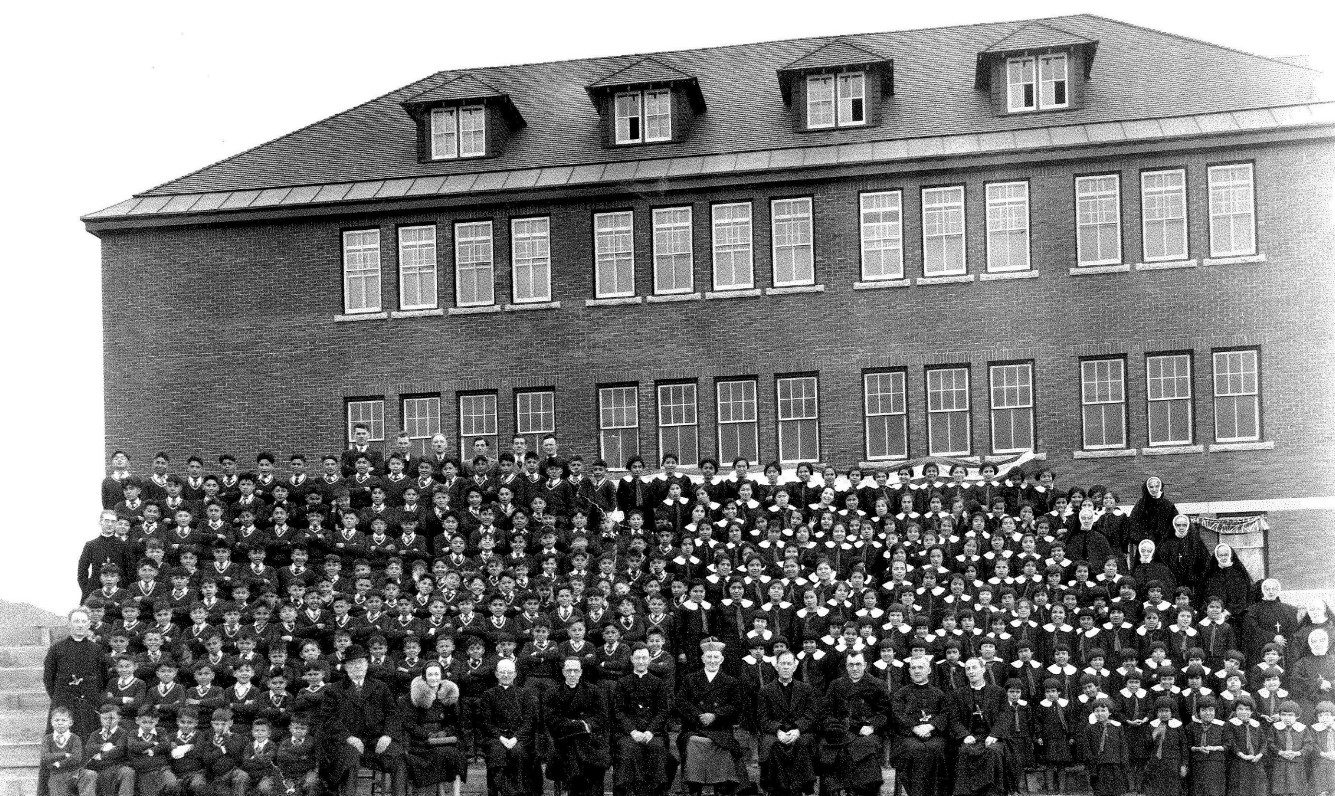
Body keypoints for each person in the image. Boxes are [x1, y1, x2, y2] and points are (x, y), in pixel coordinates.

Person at [319, 644, 407, 796]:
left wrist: (387, 735)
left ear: (367, 664)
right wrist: (349, 738)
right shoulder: (333, 690)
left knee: (398, 756)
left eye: (360, 662)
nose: (357, 666)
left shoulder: (381, 687)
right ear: (346, 667)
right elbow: (328, 719)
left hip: (376, 741)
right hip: (347, 742)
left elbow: (393, 714)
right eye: (352, 664)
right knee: (350, 759)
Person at [677, 638, 744, 796]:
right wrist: (699, 716)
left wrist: (715, 715)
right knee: (692, 741)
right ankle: (694, 787)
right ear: (702, 659)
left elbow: (735, 706)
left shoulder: (731, 682)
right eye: (709, 657)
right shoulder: (690, 679)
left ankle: (720, 786)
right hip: (694, 727)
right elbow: (681, 702)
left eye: (716, 657)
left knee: (723, 743)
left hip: (720, 727)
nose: (712, 661)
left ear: (721, 659)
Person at [819, 651, 886, 796]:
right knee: (833, 750)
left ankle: (861, 791)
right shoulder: (836, 685)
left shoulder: (877, 684)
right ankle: (838, 790)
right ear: (846, 666)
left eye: (858, 664)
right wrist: (834, 726)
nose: (855, 668)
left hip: (866, 731)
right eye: (851, 665)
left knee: (864, 748)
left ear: (865, 665)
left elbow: (884, 712)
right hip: (840, 730)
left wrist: (872, 726)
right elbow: (826, 711)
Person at [544, 657, 610, 796]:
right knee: (574, 750)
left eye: (575, 670)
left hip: (590, 738)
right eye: (569, 670)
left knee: (590, 758)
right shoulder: (552, 692)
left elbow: (601, 716)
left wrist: (585, 725)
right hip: (563, 741)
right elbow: (551, 719)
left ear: (581, 672)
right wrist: (575, 726)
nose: (572, 674)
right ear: (563, 672)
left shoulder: (594, 691)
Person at [756, 650, 818, 796]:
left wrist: (797, 730)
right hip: (775, 733)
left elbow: (811, 715)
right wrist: (778, 731)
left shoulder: (806, 689)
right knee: (773, 745)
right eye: (782, 663)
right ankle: (778, 789)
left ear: (795, 667)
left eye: (789, 663)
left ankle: (798, 788)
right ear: (776, 667)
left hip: (799, 732)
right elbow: (763, 719)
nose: (785, 667)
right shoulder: (765, 691)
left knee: (802, 744)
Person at [401, 660, 467, 796]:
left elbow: (455, 722)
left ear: (442, 675)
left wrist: (446, 732)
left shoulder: (448, 695)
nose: (434, 678)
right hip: (421, 741)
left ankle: (456, 793)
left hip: (444, 738)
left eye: (436, 674)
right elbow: (409, 724)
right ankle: (441, 793)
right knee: (441, 753)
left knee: (456, 752)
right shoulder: (414, 696)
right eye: (430, 675)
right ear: (424, 677)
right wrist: (428, 734)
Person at [612, 645, 671, 796]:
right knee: (628, 749)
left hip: (653, 732)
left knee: (657, 748)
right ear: (631, 659)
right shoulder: (622, 683)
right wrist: (632, 731)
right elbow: (618, 711)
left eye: (644, 658)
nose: (641, 661)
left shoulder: (658, 683)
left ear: (650, 660)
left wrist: (650, 731)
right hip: (628, 733)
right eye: (637, 658)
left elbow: (662, 711)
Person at [475, 658, 539, 796]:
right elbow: (486, 722)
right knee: (497, 754)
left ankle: (519, 792)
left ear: (515, 674)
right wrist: (501, 737)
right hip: (496, 737)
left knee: (518, 752)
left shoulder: (524, 694)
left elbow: (528, 722)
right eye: (502, 672)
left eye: (509, 672)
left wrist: (516, 738)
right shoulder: (488, 695)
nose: (506, 675)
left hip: (519, 737)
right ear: (496, 674)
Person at [949, 658, 1010, 796]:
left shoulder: (998, 692)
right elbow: (954, 719)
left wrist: (994, 735)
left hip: (992, 736)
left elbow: (1005, 716)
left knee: (993, 752)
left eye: (974, 668)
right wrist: (964, 735)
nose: (971, 671)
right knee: (964, 751)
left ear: (983, 670)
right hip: (970, 736)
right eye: (968, 669)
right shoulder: (958, 694)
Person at [890, 657, 950, 796]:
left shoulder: (939, 694)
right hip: (908, 735)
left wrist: (931, 726)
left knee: (938, 749)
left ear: (928, 670)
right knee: (914, 750)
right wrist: (914, 727)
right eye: (914, 668)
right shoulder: (901, 693)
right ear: (909, 671)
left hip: (934, 735)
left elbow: (945, 713)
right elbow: (897, 714)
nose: (917, 671)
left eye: (921, 667)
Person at [44, 608, 107, 738]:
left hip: (89, 700)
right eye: (76, 621)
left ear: (89, 624)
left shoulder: (96, 649)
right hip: (63, 698)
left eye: (83, 621)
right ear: (69, 624)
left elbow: (102, 677)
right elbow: (48, 677)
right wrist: (58, 696)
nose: (80, 625)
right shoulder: (57, 648)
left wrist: (93, 695)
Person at [1242, 578, 1301, 666]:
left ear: (1278, 590)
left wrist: (1282, 639)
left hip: (1283, 649)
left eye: (1273, 589)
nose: (1270, 592)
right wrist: (1273, 637)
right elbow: (1253, 629)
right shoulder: (1253, 610)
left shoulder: (1289, 610)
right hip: (1261, 649)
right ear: (1263, 590)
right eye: (1267, 589)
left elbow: (1292, 630)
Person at [79, 512, 135, 599]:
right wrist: (87, 590)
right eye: (106, 521)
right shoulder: (91, 545)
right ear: (100, 522)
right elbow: (82, 571)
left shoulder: (123, 545)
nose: (109, 524)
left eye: (113, 521)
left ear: (116, 524)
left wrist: (124, 591)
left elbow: (130, 570)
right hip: (95, 589)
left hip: (118, 591)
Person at [1199, 544, 1252, 621]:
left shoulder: (1239, 575)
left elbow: (1242, 598)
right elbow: (1206, 595)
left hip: (1235, 617)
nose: (1223, 558)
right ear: (1217, 557)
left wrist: (1227, 612)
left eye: (1226, 555)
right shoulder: (1211, 575)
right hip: (1213, 616)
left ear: (1230, 555)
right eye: (1221, 555)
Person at [1128, 477, 1177, 546]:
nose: (1154, 489)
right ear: (1147, 488)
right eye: (1151, 487)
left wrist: (1166, 539)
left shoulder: (1167, 505)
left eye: (1157, 486)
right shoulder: (1141, 505)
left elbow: (1174, 523)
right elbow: (1133, 523)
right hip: (1145, 546)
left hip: (1164, 545)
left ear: (1160, 487)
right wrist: (1141, 540)